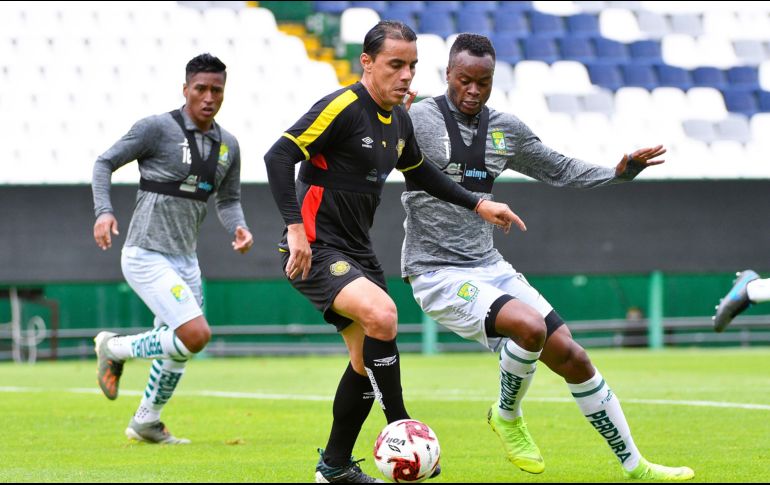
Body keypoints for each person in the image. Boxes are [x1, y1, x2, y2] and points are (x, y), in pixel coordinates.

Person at [401, 33, 695, 480]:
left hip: (489, 267)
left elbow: (558, 168)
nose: (474, 90)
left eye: (484, 81)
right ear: (447, 75)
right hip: (435, 272)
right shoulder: (418, 118)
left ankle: (636, 466)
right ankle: (506, 415)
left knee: (572, 356)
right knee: (529, 326)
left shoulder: (505, 129)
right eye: (465, 80)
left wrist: (617, 174)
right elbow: (369, 152)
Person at [263, 21, 524, 484]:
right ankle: (401, 425)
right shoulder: (342, 106)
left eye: (412, 65)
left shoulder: (400, 119)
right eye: (395, 64)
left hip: (357, 252)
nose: (406, 75)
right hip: (315, 248)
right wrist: (295, 229)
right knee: (382, 315)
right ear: (367, 63)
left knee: (365, 361)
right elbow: (279, 156)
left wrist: (480, 203)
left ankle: (335, 467)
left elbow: (422, 173)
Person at [91, 53, 253, 444]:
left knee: (179, 348)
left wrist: (240, 227)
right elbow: (104, 162)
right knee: (195, 334)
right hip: (146, 251)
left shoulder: (227, 145)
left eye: (217, 90)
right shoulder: (156, 129)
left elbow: (228, 200)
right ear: (185, 90)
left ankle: (147, 421)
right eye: (201, 88)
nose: (209, 97)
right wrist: (104, 211)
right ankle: (113, 348)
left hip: (186, 259)